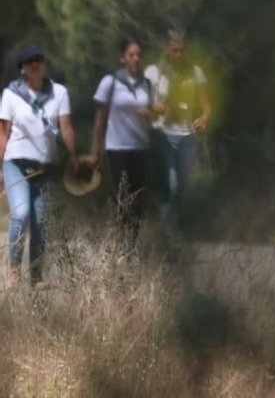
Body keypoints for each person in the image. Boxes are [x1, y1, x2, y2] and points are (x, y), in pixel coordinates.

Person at [0, 44, 84, 284]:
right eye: (29, 61)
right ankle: (14, 268)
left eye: (38, 59)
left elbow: (66, 126)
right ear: (23, 68)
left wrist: (74, 155)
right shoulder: (11, 94)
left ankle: (36, 276)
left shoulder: (59, 93)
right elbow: (2, 133)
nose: (35, 64)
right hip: (15, 162)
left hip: (45, 166)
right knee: (21, 213)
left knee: (40, 221)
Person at [92, 36, 162, 253]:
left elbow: (151, 119)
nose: (136, 59)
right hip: (116, 147)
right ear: (122, 57)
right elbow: (100, 118)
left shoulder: (147, 85)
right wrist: (95, 152)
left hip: (140, 148)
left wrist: (150, 113)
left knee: (138, 199)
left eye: (139, 55)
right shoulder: (110, 82)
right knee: (122, 196)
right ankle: (118, 244)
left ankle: (131, 246)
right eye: (131, 54)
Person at [146, 27, 212, 236]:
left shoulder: (195, 72)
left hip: (187, 136)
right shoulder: (153, 73)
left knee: (180, 186)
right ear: (167, 49)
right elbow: (141, 100)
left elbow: (205, 104)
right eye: (174, 50)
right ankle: (168, 234)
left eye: (182, 50)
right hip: (163, 134)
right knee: (171, 184)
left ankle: (171, 226)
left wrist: (204, 117)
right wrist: (153, 107)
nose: (179, 54)